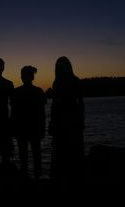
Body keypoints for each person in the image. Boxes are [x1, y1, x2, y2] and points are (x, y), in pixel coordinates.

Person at [48, 56, 85, 189]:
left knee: (61, 150)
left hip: (63, 119)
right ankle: (75, 177)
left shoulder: (58, 83)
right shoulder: (75, 81)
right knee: (74, 149)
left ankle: (61, 178)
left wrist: (52, 122)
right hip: (71, 119)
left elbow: (55, 105)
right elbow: (81, 103)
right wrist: (81, 120)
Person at [11, 66, 47, 179]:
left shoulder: (16, 92)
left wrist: (13, 129)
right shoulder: (38, 91)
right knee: (36, 155)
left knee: (24, 156)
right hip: (33, 128)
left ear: (22, 77)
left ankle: (25, 177)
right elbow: (42, 113)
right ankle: (37, 177)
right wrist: (42, 129)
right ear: (32, 77)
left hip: (22, 129)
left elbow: (13, 113)